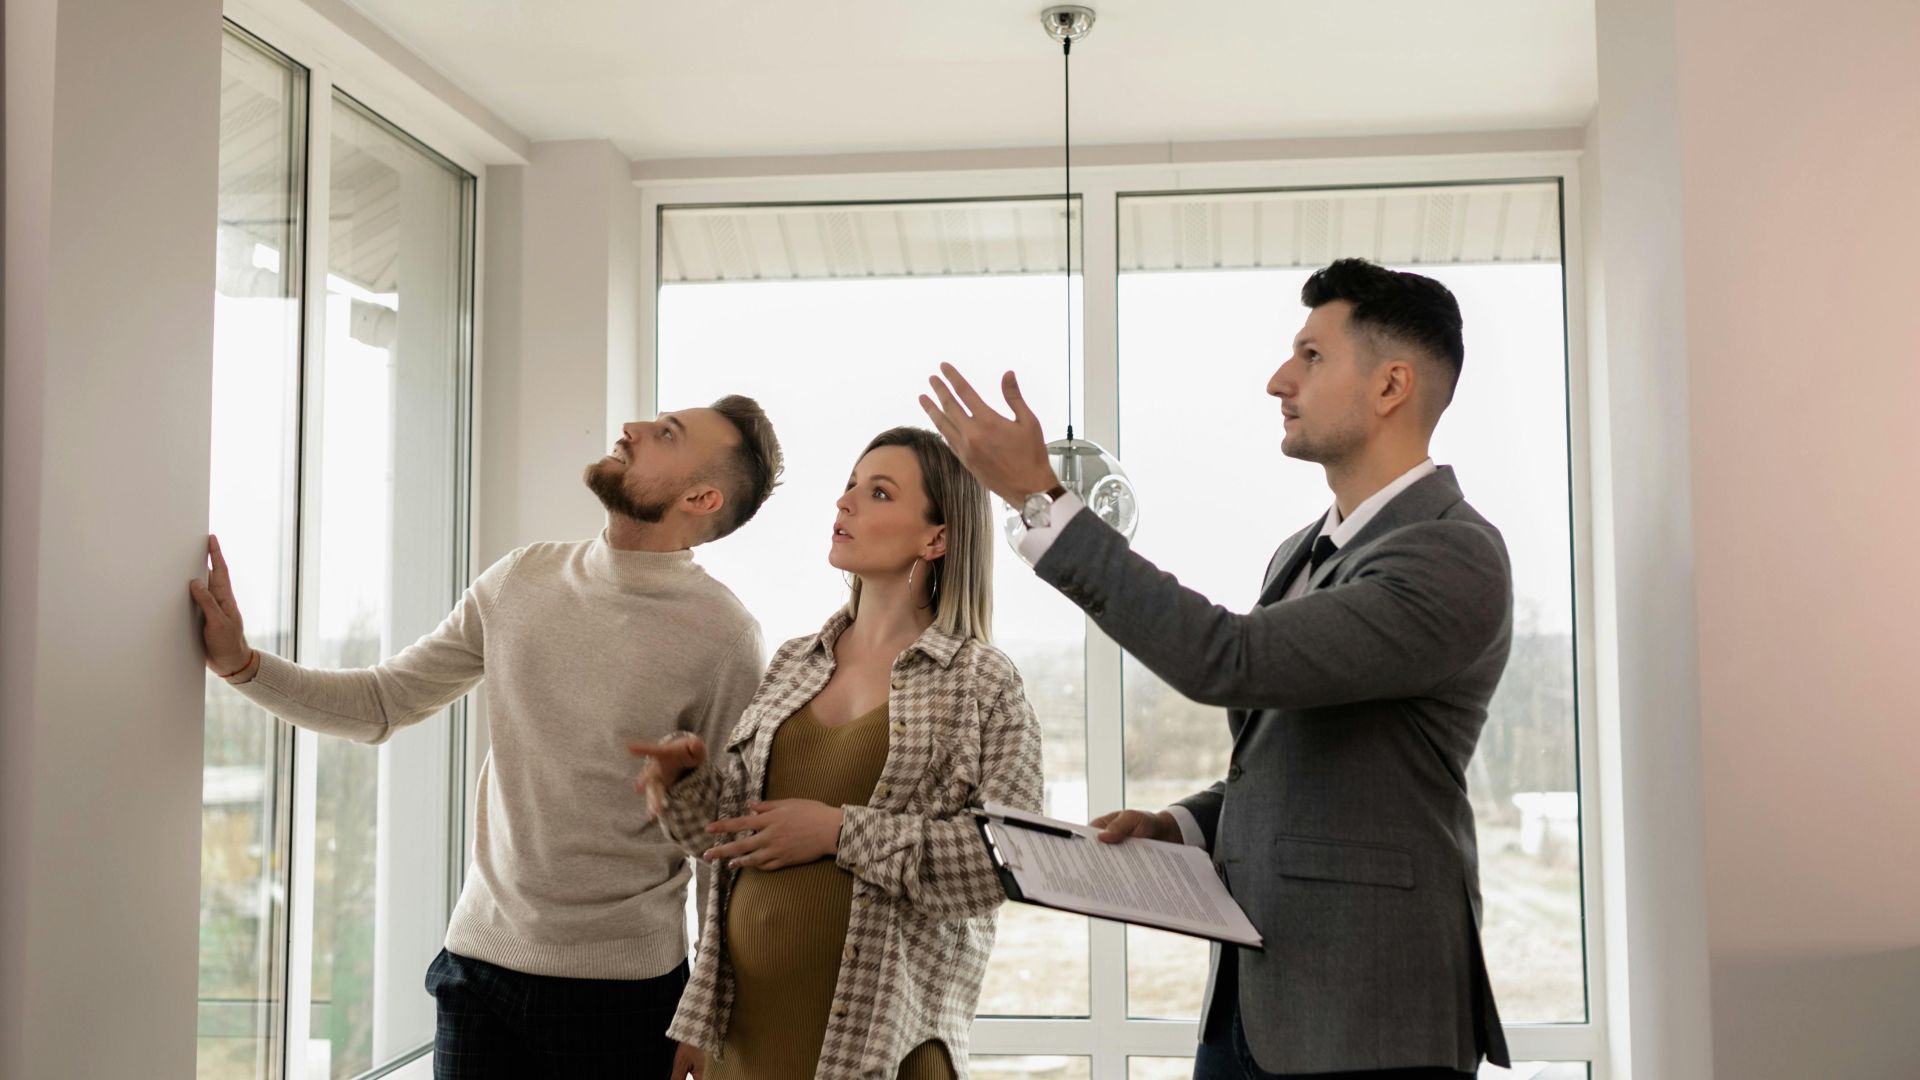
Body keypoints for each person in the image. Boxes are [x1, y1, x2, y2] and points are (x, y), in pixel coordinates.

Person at [921, 258, 1515, 1079]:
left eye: (1311, 355)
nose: (1279, 379)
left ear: (1391, 387)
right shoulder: (1299, 553)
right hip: (1255, 998)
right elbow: (1302, 755)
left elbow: (1227, 659)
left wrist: (1045, 502)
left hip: (1371, 1016)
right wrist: (1185, 825)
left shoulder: (1451, 555)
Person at [189, 398, 784, 1079]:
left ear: (700, 496)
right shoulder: (521, 579)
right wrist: (242, 665)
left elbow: (724, 850)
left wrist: (708, 1019)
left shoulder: (727, 638)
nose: (632, 428)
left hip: (623, 997)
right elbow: (386, 701)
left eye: (666, 434)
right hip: (477, 973)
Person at [632, 426, 1043, 1080]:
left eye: (877, 492)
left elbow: (1010, 864)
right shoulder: (795, 661)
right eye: (849, 485)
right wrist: (686, 785)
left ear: (936, 538)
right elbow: (729, 841)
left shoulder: (982, 683)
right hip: (740, 1040)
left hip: (883, 1049)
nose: (845, 503)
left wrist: (837, 831)